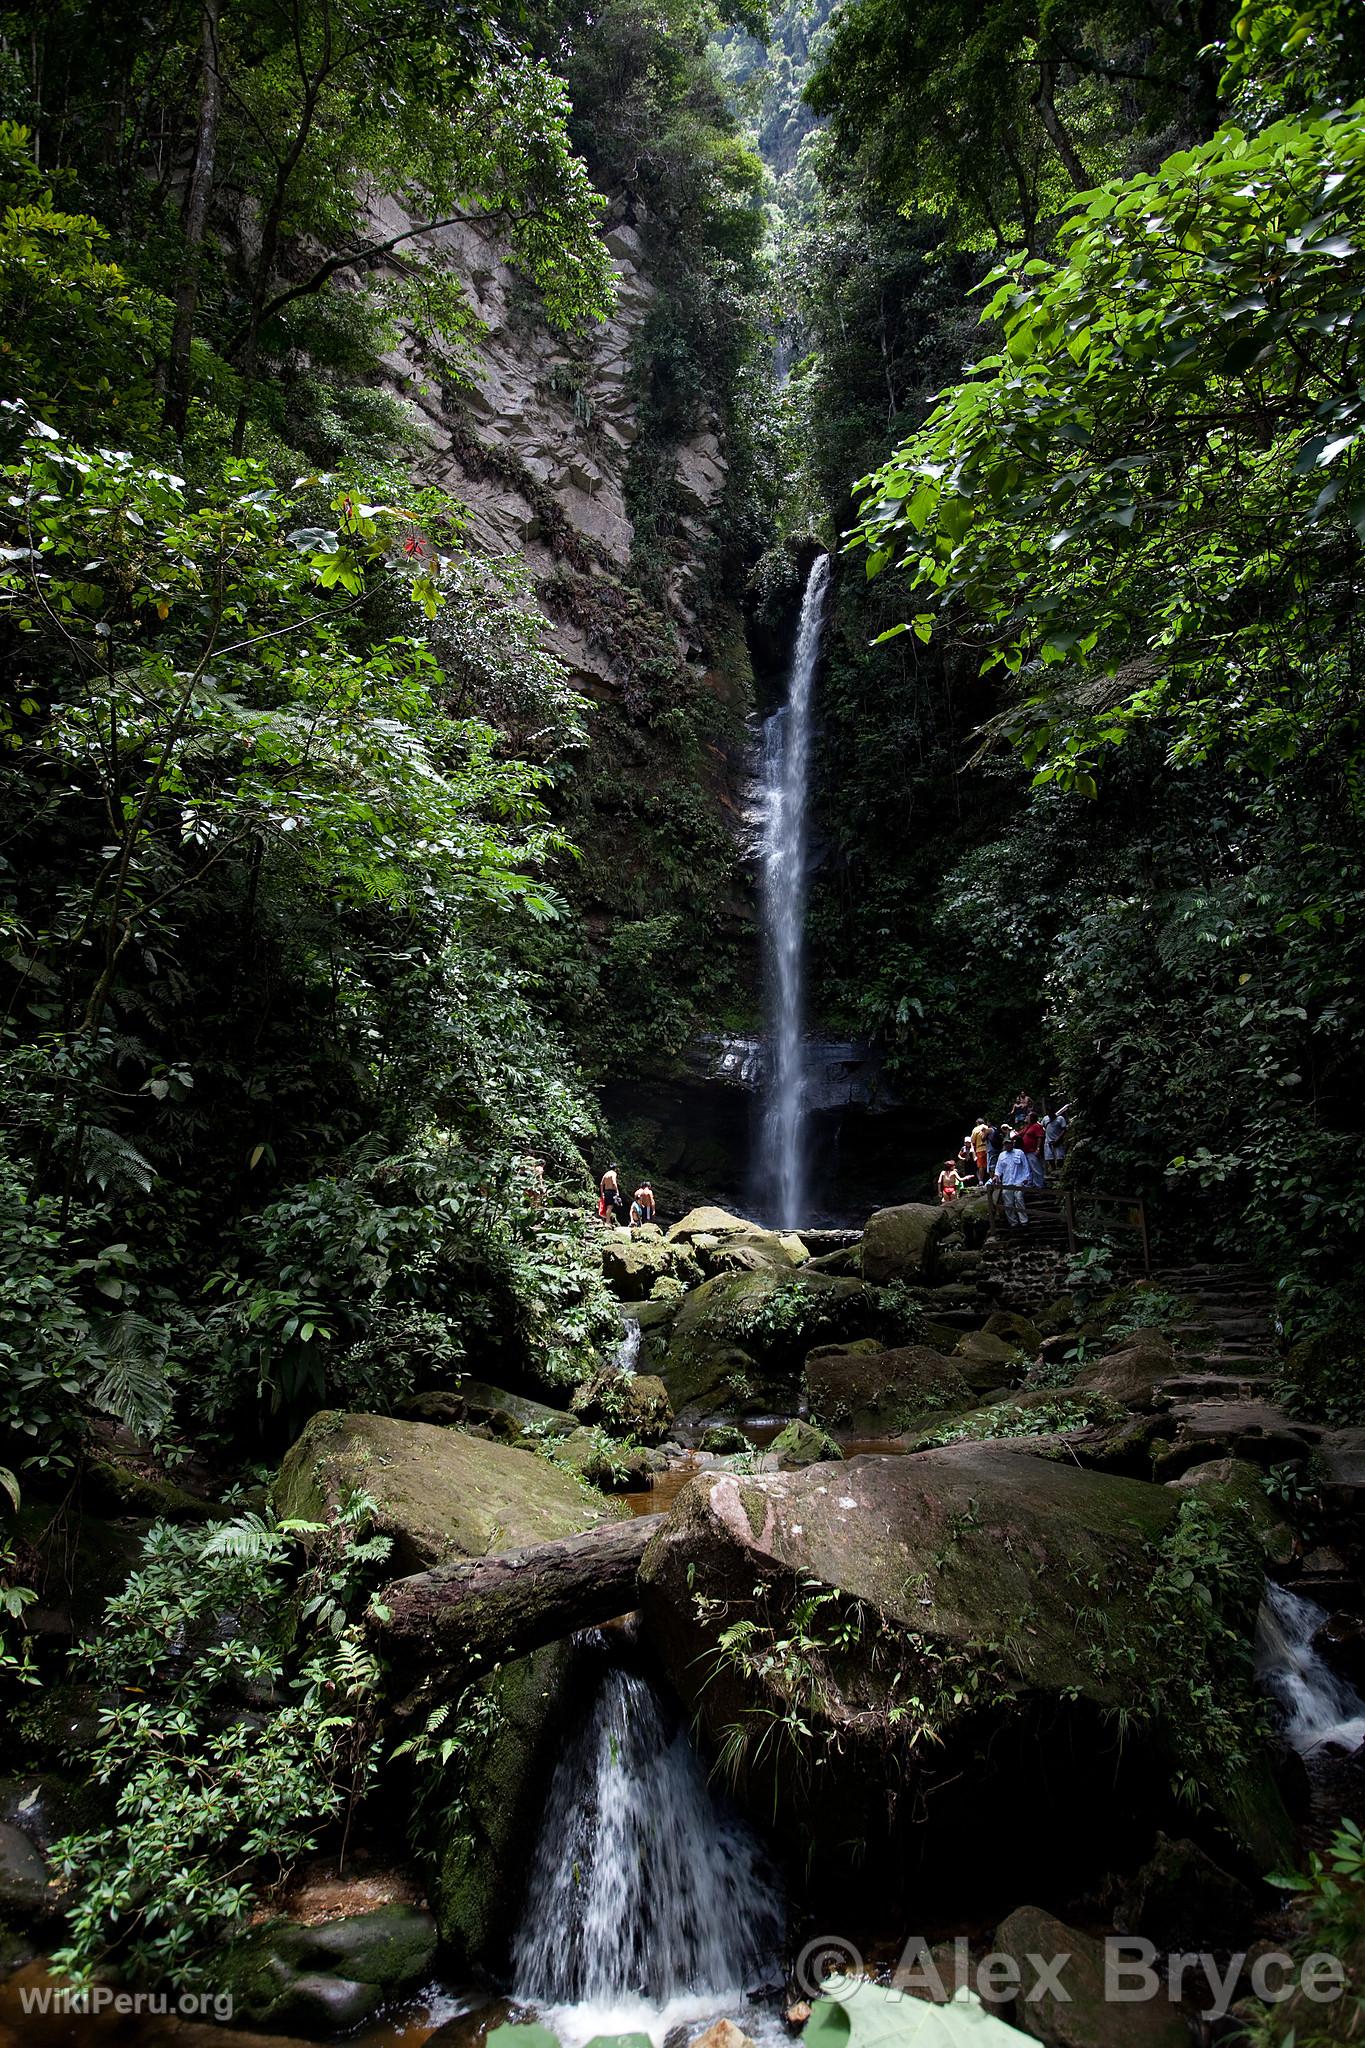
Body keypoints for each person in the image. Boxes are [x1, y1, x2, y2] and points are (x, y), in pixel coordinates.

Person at [991, 1132, 1031, 1227]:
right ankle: (1013, 1222)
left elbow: (1026, 1166)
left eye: (1009, 1143)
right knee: (1008, 1202)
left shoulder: (1019, 1153)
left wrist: (1026, 1178)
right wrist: (996, 1176)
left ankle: (1023, 1220)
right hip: (1007, 1182)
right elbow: (998, 1168)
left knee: (1019, 1198)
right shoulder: (1001, 1155)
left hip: (1019, 1181)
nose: (1007, 1145)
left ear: (1012, 1143)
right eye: (1006, 1143)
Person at [1018, 1113, 1047, 1188]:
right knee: (1029, 1169)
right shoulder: (1028, 1127)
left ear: (1032, 1118)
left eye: (1028, 1116)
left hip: (1033, 1151)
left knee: (1036, 1168)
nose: (1026, 1117)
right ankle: (1031, 1184)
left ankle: (1039, 1185)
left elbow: (1040, 1137)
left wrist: (1038, 1149)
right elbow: (1020, 1134)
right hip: (1026, 1151)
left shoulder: (1036, 1126)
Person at [1044, 1104, 1071, 1174]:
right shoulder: (1045, 1119)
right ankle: (1053, 1171)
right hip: (1048, 1142)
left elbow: (1064, 1129)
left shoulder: (1060, 1118)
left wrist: (1058, 1139)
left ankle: (1060, 1172)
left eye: (1050, 1112)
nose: (1049, 1114)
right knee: (1049, 1158)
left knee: (1060, 1158)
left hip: (1058, 1141)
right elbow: (1043, 1127)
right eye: (1048, 1112)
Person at [971, 1117, 990, 1183]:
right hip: (989, 1148)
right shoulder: (987, 1127)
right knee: (989, 1164)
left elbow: (972, 1140)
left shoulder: (975, 1129)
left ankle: (981, 1181)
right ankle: (991, 1179)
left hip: (980, 1149)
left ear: (977, 1123)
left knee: (981, 1166)